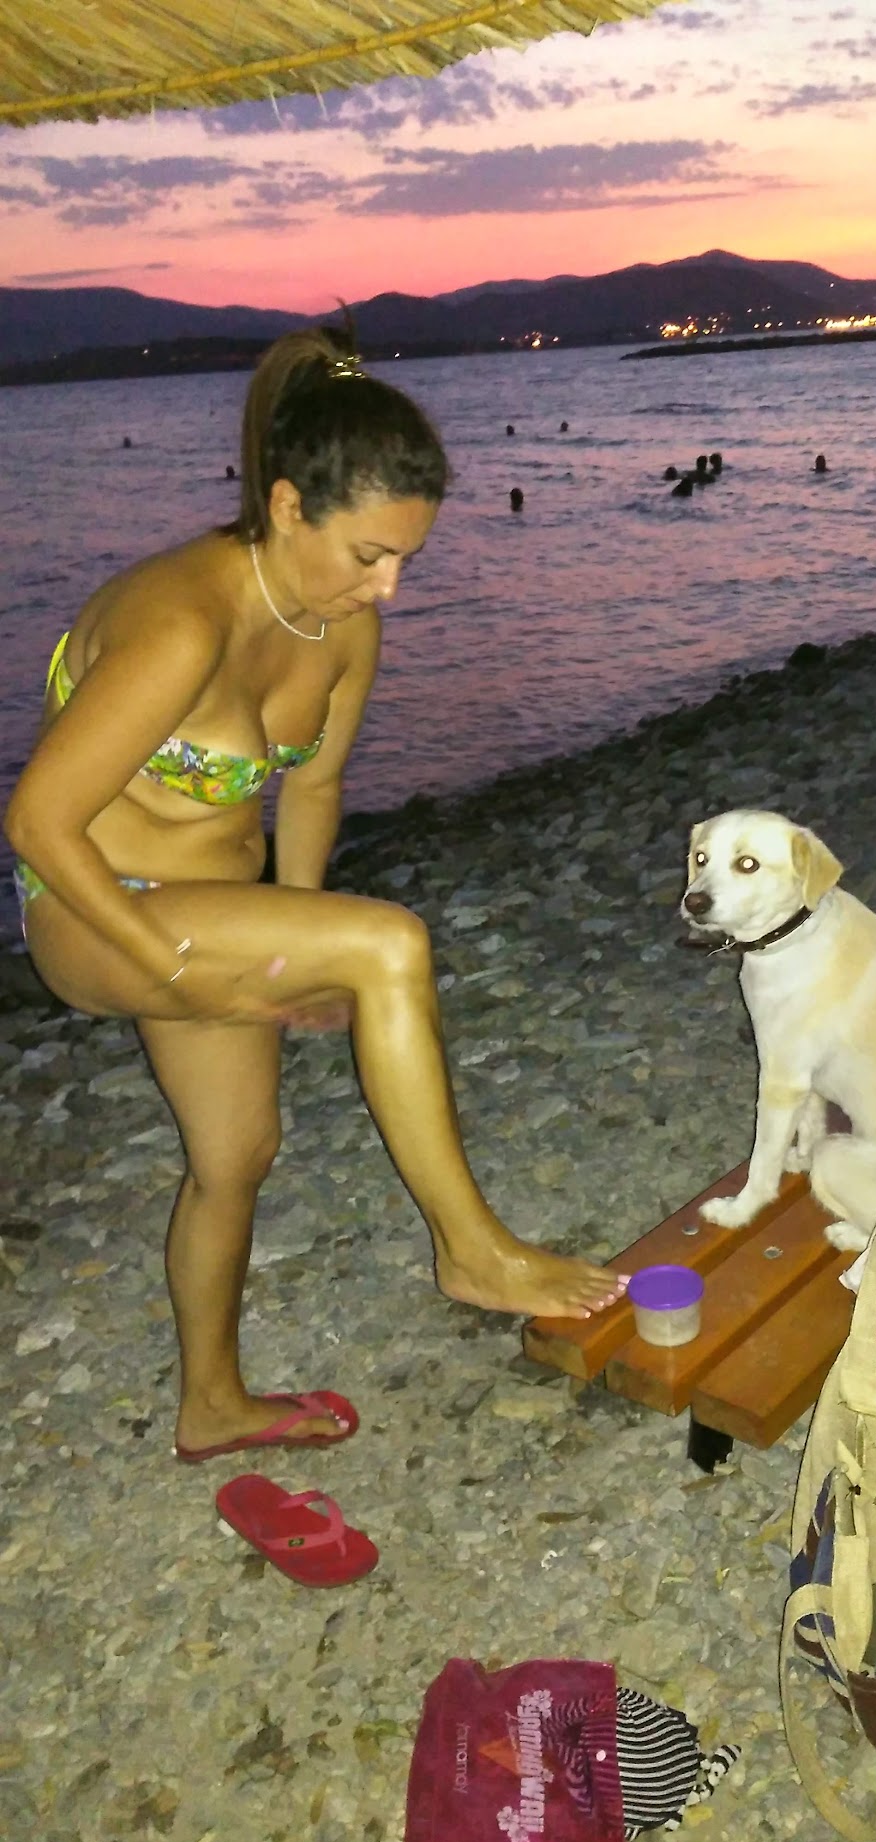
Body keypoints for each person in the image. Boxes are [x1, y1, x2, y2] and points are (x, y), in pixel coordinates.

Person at [3, 326, 621, 1466]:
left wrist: (299, 939)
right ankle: (471, 1249)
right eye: (370, 555)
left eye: (406, 559)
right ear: (288, 506)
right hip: (93, 907)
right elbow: (38, 818)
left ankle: (212, 1405)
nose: (387, 586)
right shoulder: (181, 623)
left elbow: (316, 788)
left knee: (237, 1154)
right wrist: (174, 961)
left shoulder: (343, 632)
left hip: (211, 908)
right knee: (391, 944)